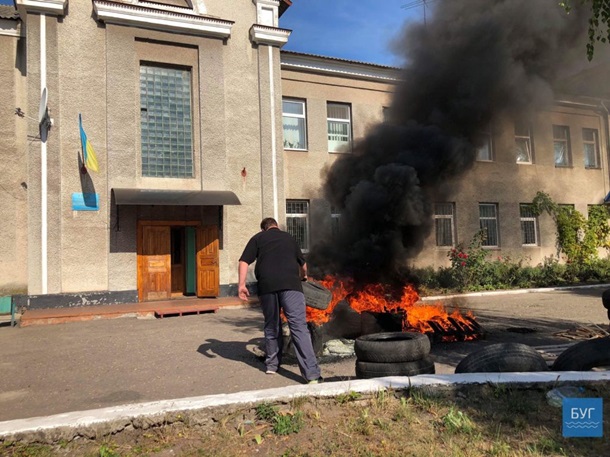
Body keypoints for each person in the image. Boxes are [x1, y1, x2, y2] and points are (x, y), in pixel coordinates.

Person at [238, 217, 322, 384]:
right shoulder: (289, 238)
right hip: (291, 285)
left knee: (272, 325)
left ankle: (272, 365)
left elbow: (244, 261)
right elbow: (303, 265)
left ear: (264, 229)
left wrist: (241, 285)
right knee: (298, 327)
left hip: (267, 286)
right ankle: (312, 375)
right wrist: (304, 277)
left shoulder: (258, 238)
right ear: (276, 226)